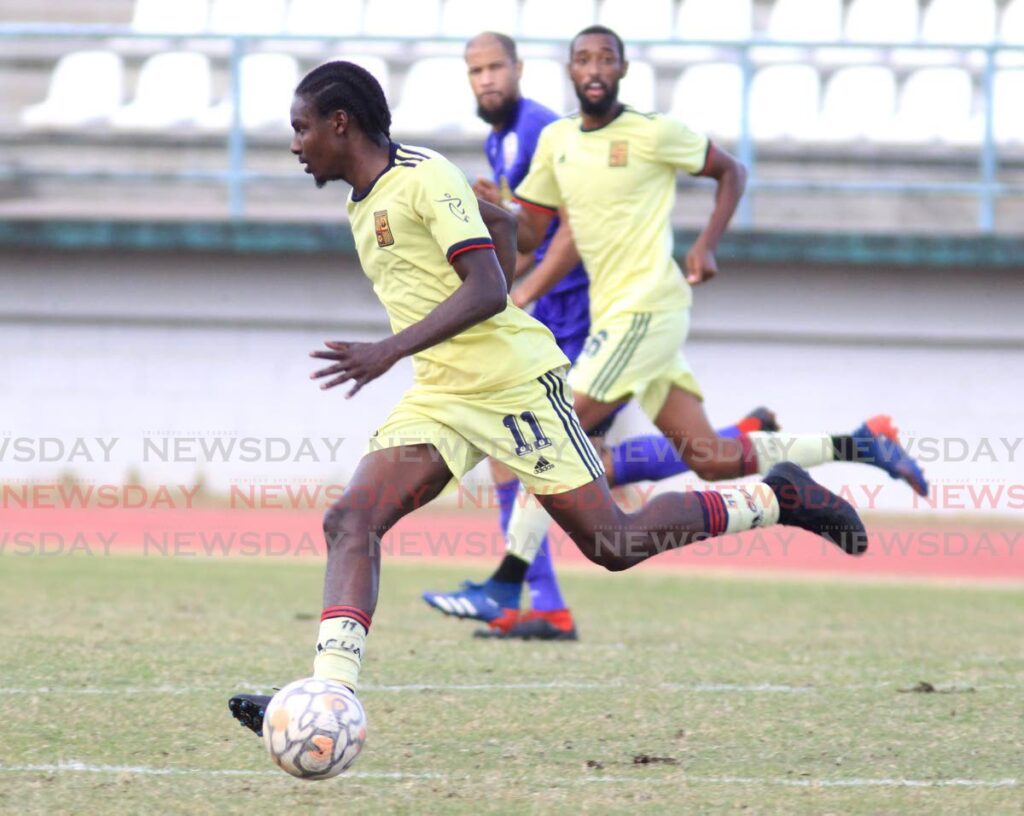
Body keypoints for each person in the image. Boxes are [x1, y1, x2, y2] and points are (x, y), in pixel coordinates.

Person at [227, 59, 868, 739]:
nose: (295, 144)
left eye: (301, 129)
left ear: (340, 123)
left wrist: (387, 349)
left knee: (613, 543)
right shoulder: (367, 199)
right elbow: (501, 231)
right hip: (443, 393)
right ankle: (327, 695)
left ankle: (777, 496)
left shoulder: (423, 177)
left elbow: (486, 290)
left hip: (513, 387)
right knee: (351, 521)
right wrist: (487, 240)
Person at [421, 25, 929, 622]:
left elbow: (731, 171)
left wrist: (707, 246)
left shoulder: (653, 131)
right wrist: (495, 206)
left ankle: (509, 585)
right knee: (709, 455)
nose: (594, 68)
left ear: (622, 69)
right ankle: (855, 445)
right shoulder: (557, 141)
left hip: (648, 307)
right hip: (620, 316)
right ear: (569, 70)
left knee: (554, 432)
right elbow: (532, 230)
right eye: (583, 58)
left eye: (605, 59)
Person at [420, 31, 776, 641]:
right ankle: (541, 601)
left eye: (495, 67)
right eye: (475, 70)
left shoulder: (539, 130)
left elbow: (569, 232)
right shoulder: (502, 136)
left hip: (579, 312)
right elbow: (527, 226)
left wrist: (521, 292)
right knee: (530, 453)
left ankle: (526, 594)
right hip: (561, 313)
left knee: (545, 447)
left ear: (521, 68)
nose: (486, 80)